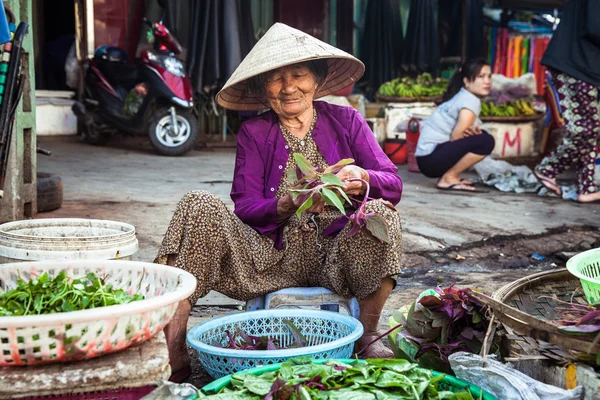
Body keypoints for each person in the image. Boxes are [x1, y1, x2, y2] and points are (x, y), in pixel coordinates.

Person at [156, 23, 404, 382]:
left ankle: (366, 336)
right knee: (197, 205)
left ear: (317, 80)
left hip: (338, 254)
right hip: (269, 259)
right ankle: (175, 348)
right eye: (275, 79)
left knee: (381, 215)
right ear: (262, 90)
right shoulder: (255, 133)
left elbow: (392, 182)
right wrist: (286, 204)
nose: (288, 87)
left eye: (298, 75)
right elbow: (245, 206)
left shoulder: (347, 120)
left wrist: (362, 179)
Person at [534, 0, 600, 204]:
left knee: (591, 127)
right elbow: (596, 27)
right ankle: (548, 168)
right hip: (576, 67)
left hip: (581, 66)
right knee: (587, 129)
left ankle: (587, 187)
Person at [415, 58, 495, 192]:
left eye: (489, 76)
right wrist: (470, 138)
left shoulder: (463, 96)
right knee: (487, 141)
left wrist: (470, 136)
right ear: (467, 81)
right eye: (481, 76)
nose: (487, 81)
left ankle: (451, 176)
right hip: (431, 160)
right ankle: (449, 177)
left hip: (426, 158)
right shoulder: (470, 101)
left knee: (482, 137)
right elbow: (456, 137)